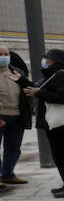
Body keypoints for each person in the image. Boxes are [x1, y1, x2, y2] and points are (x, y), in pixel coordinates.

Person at [22, 49, 64, 198]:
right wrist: (21, 81)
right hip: (57, 123)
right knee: (63, 155)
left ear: (55, 60)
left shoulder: (62, 75)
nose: (44, 60)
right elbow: (38, 87)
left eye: (47, 58)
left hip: (62, 124)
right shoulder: (55, 74)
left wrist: (40, 94)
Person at [0, 46, 33, 187]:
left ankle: (8, 174)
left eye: (6, 54)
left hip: (17, 116)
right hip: (1, 116)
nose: (3, 56)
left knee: (13, 147)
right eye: (0, 54)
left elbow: (29, 88)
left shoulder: (16, 72)